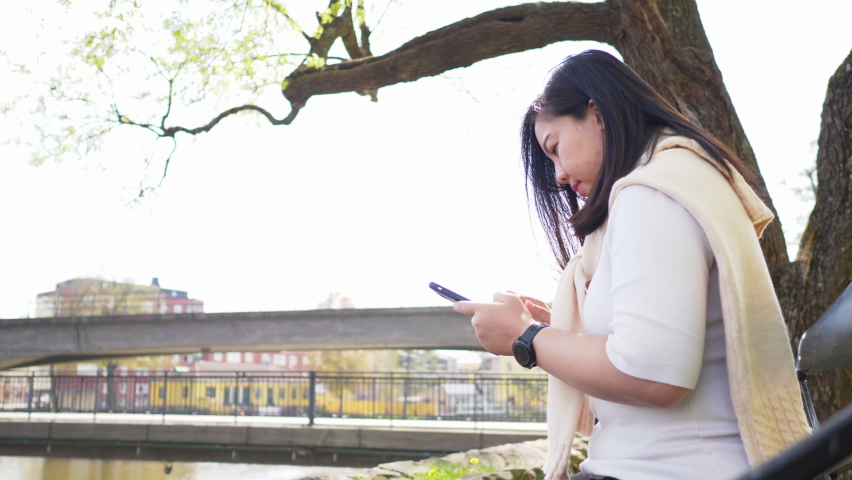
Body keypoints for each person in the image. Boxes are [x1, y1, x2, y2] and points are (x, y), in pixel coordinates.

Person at [453, 50, 811, 480]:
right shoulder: (677, 178)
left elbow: (650, 373)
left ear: (597, 112)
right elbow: (652, 343)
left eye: (556, 148)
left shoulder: (651, 194)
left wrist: (526, 336)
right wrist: (559, 331)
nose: (560, 175)